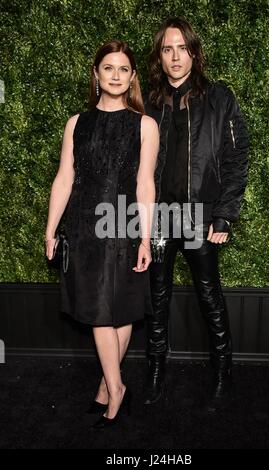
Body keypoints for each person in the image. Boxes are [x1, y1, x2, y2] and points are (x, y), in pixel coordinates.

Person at [45, 39, 159, 428]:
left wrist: (146, 238)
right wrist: (50, 230)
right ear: (96, 74)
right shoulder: (76, 123)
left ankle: (109, 387)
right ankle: (116, 386)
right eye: (108, 68)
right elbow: (64, 179)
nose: (115, 75)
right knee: (98, 310)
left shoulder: (145, 124)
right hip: (84, 227)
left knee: (121, 306)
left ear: (132, 78)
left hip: (125, 224)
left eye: (123, 69)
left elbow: (146, 184)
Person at [143, 17, 250, 411]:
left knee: (209, 297)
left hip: (200, 217)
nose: (175, 56)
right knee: (156, 298)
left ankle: (223, 375)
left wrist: (223, 215)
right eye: (167, 48)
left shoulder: (219, 97)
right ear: (160, 54)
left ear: (193, 52)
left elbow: (237, 158)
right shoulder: (148, 101)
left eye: (182, 48)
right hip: (156, 217)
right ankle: (154, 374)